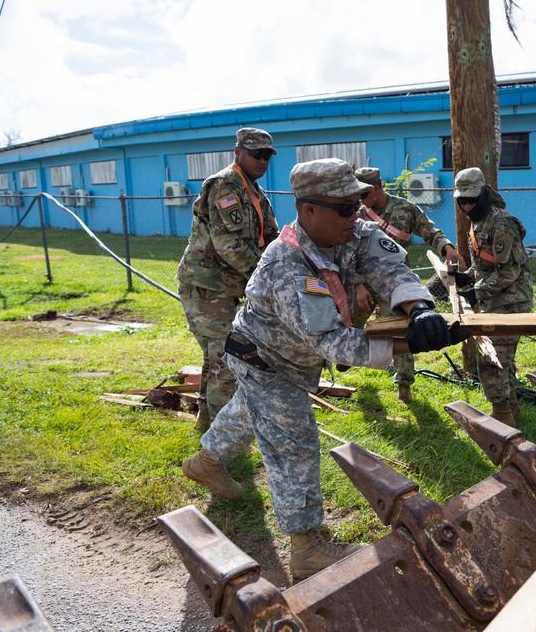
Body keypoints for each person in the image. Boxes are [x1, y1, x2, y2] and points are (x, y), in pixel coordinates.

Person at [181, 158, 468, 580]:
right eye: (346, 207)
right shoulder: (287, 265)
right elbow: (334, 342)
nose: (357, 215)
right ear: (309, 210)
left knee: (249, 413)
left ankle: (205, 462)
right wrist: (411, 343)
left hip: (294, 355)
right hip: (264, 359)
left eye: (358, 204)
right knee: (294, 440)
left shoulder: (351, 229)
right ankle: (306, 548)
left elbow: (388, 266)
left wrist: (420, 308)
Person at [176, 127, 279, 431]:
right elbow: (228, 244)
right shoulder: (225, 185)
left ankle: (207, 428)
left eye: (267, 156)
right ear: (238, 152)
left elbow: (270, 236)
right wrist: (263, 279)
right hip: (207, 285)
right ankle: (223, 438)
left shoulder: (254, 191)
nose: (262, 161)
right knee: (227, 359)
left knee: (217, 357)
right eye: (255, 154)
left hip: (224, 286)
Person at [350, 166, 465, 404]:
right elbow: (348, 251)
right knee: (350, 324)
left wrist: (447, 248)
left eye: (363, 194)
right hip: (365, 283)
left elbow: (429, 230)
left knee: (402, 331)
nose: (360, 200)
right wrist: (358, 285)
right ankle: (345, 357)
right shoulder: (358, 215)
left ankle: (404, 385)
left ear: (376, 189)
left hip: (396, 286)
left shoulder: (405, 208)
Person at [448, 167, 533, 427]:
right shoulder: (479, 221)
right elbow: (486, 264)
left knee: (491, 359)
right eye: (462, 200)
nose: (467, 205)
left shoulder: (502, 223)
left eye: (471, 199)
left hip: (511, 303)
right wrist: (467, 277)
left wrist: (477, 292)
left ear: (484, 194)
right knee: (502, 360)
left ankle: (502, 416)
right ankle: (511, 409)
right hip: (495, 301)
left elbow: (508, 271)